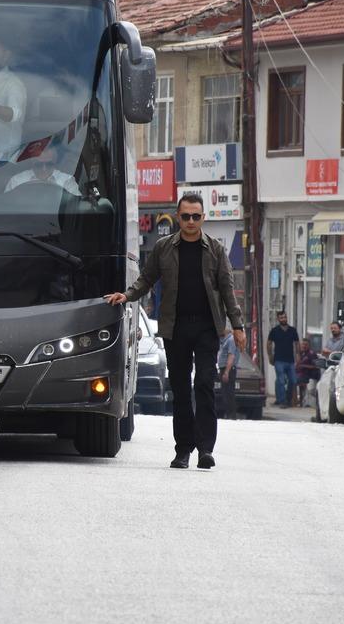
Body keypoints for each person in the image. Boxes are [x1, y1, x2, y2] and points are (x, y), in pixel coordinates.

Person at [105, 193, 245, 470]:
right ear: (178, 217)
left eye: (196, 216)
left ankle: (205, 449)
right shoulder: (163, 247)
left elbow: (228, 290)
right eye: (185, 216)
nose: (191, 221)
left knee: (204, 383)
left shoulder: (216, 250)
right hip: (175, 328)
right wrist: (127, 295)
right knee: (180, 389)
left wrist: (237, 326)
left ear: (203, 218)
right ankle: (183, 450)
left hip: (206, 328)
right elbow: (146, 280)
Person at [3, 143, 82, 196]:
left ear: (55, 163)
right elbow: (5, 205)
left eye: (49, 164)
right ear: (32, 162)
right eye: (39, 165)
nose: (44, 169)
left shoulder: (67, 182)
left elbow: (75, 206)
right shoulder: (16, 181)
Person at [267, 311, 300, 409]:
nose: (283, 319)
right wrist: (270, 356)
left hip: (290, 360)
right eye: (281, 318)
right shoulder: (275, 330)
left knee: (293, 380)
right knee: (281, 380)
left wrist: (298, 355)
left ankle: (288, 399)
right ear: (278, 319)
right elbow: (269, 343)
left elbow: (297, 343)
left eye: (285, 317)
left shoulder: (292, 330)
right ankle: (282, 401)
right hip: (279, 359)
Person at [217, 327, 242, 420]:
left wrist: (226, 372)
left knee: (228, 393)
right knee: (226, 392)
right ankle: (229, 414)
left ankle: (231, 414)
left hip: (228, 369)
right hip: (226, 368)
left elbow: (231, 356)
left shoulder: (231, 340)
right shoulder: (225, 340)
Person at [296, 338, 321, 407]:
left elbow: (315, 366)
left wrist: (303, 366)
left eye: (306, 344)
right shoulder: (301, 353)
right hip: (300, 374)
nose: (304, 346)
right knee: (290, 379)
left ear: (309, 345)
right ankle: (296, 401)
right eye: (302, 344)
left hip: (309, 375)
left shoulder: (311, 354)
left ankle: (298, 401)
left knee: (294, 380)